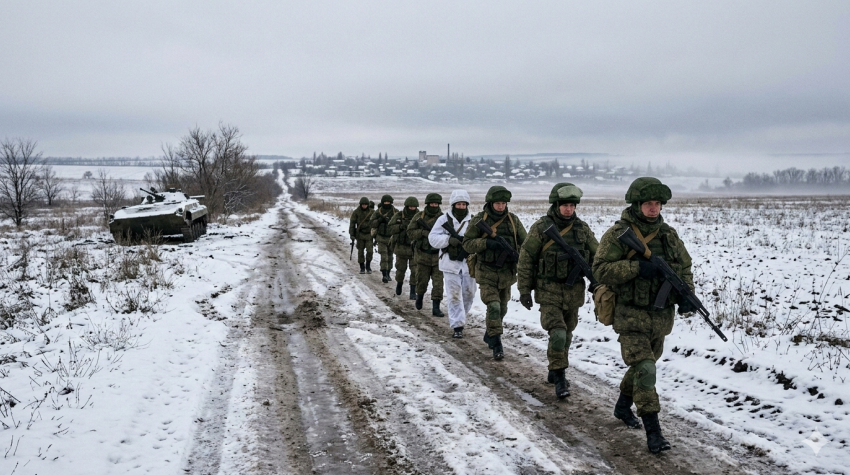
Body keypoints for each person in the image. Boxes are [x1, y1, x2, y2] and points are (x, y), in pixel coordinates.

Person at [592, 177, 694, 454]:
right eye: (648, 203)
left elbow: (684, 268)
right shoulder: (618, 234)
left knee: (641, 368)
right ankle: (654, 432)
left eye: (657, 204)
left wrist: (687, 296)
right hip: (630, 314)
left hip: (660, 317)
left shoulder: (669, 235)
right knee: (647, 370)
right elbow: (600, 270)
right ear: (637, 204)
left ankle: (622, 406)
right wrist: (636, 268)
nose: (653, 208)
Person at [517, 183, 598, 399]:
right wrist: (524, 290)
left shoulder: (582, 230)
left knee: (567, 333)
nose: (568, 209)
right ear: (556, 205)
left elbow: (598, 256)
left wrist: (597, 279)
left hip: (574, 292)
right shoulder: (541, 228)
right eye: (564, 205)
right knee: (558, 332)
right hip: (548, 289)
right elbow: (526, 259)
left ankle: (554, 369)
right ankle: (561, 377)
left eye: (572, 205)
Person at [462, 186, 527, 360]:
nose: (501, 206)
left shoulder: (513, 220)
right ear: (490, 203)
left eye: (503, 203)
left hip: (506, 273)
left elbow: (526, 244)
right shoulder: (479, 219)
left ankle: (489, 333)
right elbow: (467, 243)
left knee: (502, 308)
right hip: (487, 270)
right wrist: (486, 244)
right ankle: (497, 342)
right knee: (494, 306)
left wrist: (516, 253)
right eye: (498, 203)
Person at [428, 190, 476, 338]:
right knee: (454, 295)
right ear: (453, 205)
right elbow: (433, 238)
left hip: (468, 264)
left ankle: (461, 315)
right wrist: (449, 240)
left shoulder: (473, 220)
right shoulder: (443, 220)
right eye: (458, 204)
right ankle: (457, 326)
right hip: (449, 263)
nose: (461, 207)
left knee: (469, 294)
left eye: (463, 204)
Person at [407, 193, 445, 317]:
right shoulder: (419, 216)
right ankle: (419, 297)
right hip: (422, 255)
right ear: (427, 204)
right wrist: (423, 232)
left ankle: (436, 307)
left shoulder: (443, 218)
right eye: (432, 203)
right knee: (422, 281)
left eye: (436, 204)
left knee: (438, 283)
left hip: (438, 256)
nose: (434, 206)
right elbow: (410, 232)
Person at [389, 197, 419, 299]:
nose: (412, 208)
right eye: (410, 206)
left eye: (414, 207)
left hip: (414, 249)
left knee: (415, 271)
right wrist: (400, 226)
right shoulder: (398, 216)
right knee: (400, 269)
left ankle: (413, 291)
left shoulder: (419, 216)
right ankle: (399, 284)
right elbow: (390, 228)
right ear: (406, 206)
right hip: (401, 248)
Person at [371, 194, 398, 283]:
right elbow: (372, 223)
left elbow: (400, 224)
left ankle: (388, 273)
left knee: (390, 257)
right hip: (381, 238)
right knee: (384, 256)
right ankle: (384, 274)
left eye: (388, 202)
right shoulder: (378, 212)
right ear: (382, 202)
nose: (387, 203)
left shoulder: (395, 212)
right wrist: (380, 220)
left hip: (391, 238)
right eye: (385, 202)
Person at [348, 197, 374, 274]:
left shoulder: (372, 212)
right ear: (360, 204)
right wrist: (352, 234)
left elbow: (376, 223)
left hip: (369, 235)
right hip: (360, 235)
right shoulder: (356, 212)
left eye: (366, 204)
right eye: (363, 204)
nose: (364, 206)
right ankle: (362, 267)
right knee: (360, 252)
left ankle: (368, 266)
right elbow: (352, 224)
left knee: (370, 251)